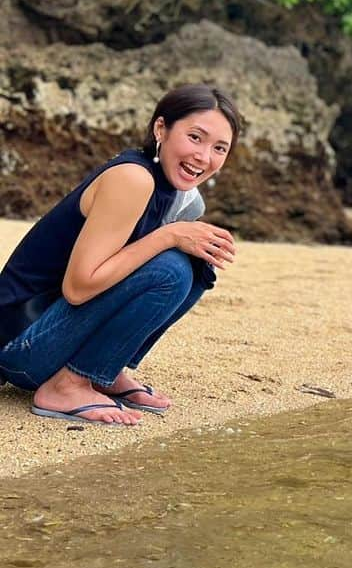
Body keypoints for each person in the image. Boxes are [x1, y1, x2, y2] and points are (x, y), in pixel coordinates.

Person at [0, 83, 241, 426]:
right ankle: (68, 385)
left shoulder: (183, 197)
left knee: (196, 260)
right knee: (172, 267)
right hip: (20, 343)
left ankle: (102, 371)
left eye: (220, 148)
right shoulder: (133, 177)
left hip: (53, 335)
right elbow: (79, 287)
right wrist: (169, 235)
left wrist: (175, 236)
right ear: (161, 129)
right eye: (195, 137)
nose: (204, 157)